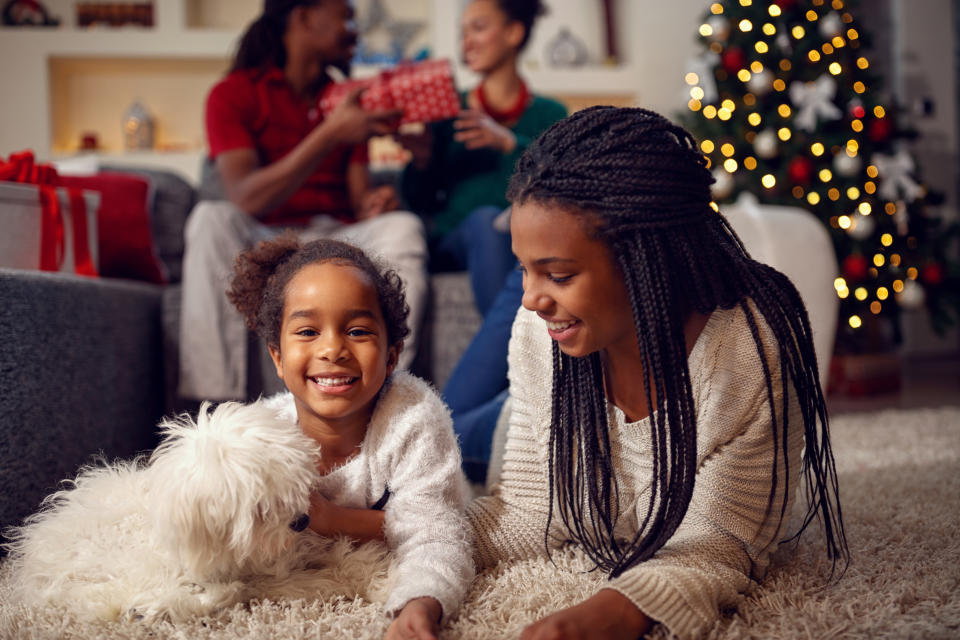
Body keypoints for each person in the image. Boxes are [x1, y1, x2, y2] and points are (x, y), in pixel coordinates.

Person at [467, 106, 850, 639]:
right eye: (523, 269)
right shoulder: (538, 335)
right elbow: (530, 511)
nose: (530, 300)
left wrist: (605, 614)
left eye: (557, 274)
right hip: (523, 417)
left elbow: (717, 543)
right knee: (420, 441)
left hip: (541, 415)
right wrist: (378, 534)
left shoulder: (750, 352)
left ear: (648, 259)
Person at [178, 0, 428, 403]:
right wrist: (330, 134)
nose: (354, 28)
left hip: (335, 234)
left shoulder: (346, 99)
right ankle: (216, 406)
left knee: (404, 227)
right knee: (209, 218)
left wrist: (376, 203)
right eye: (345, 15)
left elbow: (359, 197)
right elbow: (245, 196)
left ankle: (388, 399)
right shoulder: (233, 94)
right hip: (263, 236)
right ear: (304, 17)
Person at [228, 236, 474, 640]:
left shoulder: (413, 418)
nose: (332, 349)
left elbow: (438, 534)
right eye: (307, 331)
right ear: (277, 358)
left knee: (490, 439)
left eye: (357, 331)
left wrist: (421, 602)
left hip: (459, 462)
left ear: (392, 356)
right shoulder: (262, 435)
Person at [398, 0, 566, 481]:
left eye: (479, 28)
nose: (467, 41)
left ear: (514, 33)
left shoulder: (547, 115)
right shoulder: (447, 113)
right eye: (464, 30)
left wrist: (508, 144)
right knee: (485, 220)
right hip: (455, 239)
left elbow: (566, 188)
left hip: (512, 242)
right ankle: (530, 353)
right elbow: (420, 199)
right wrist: (425, 159)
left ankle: (495, 395)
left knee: (502, 225)